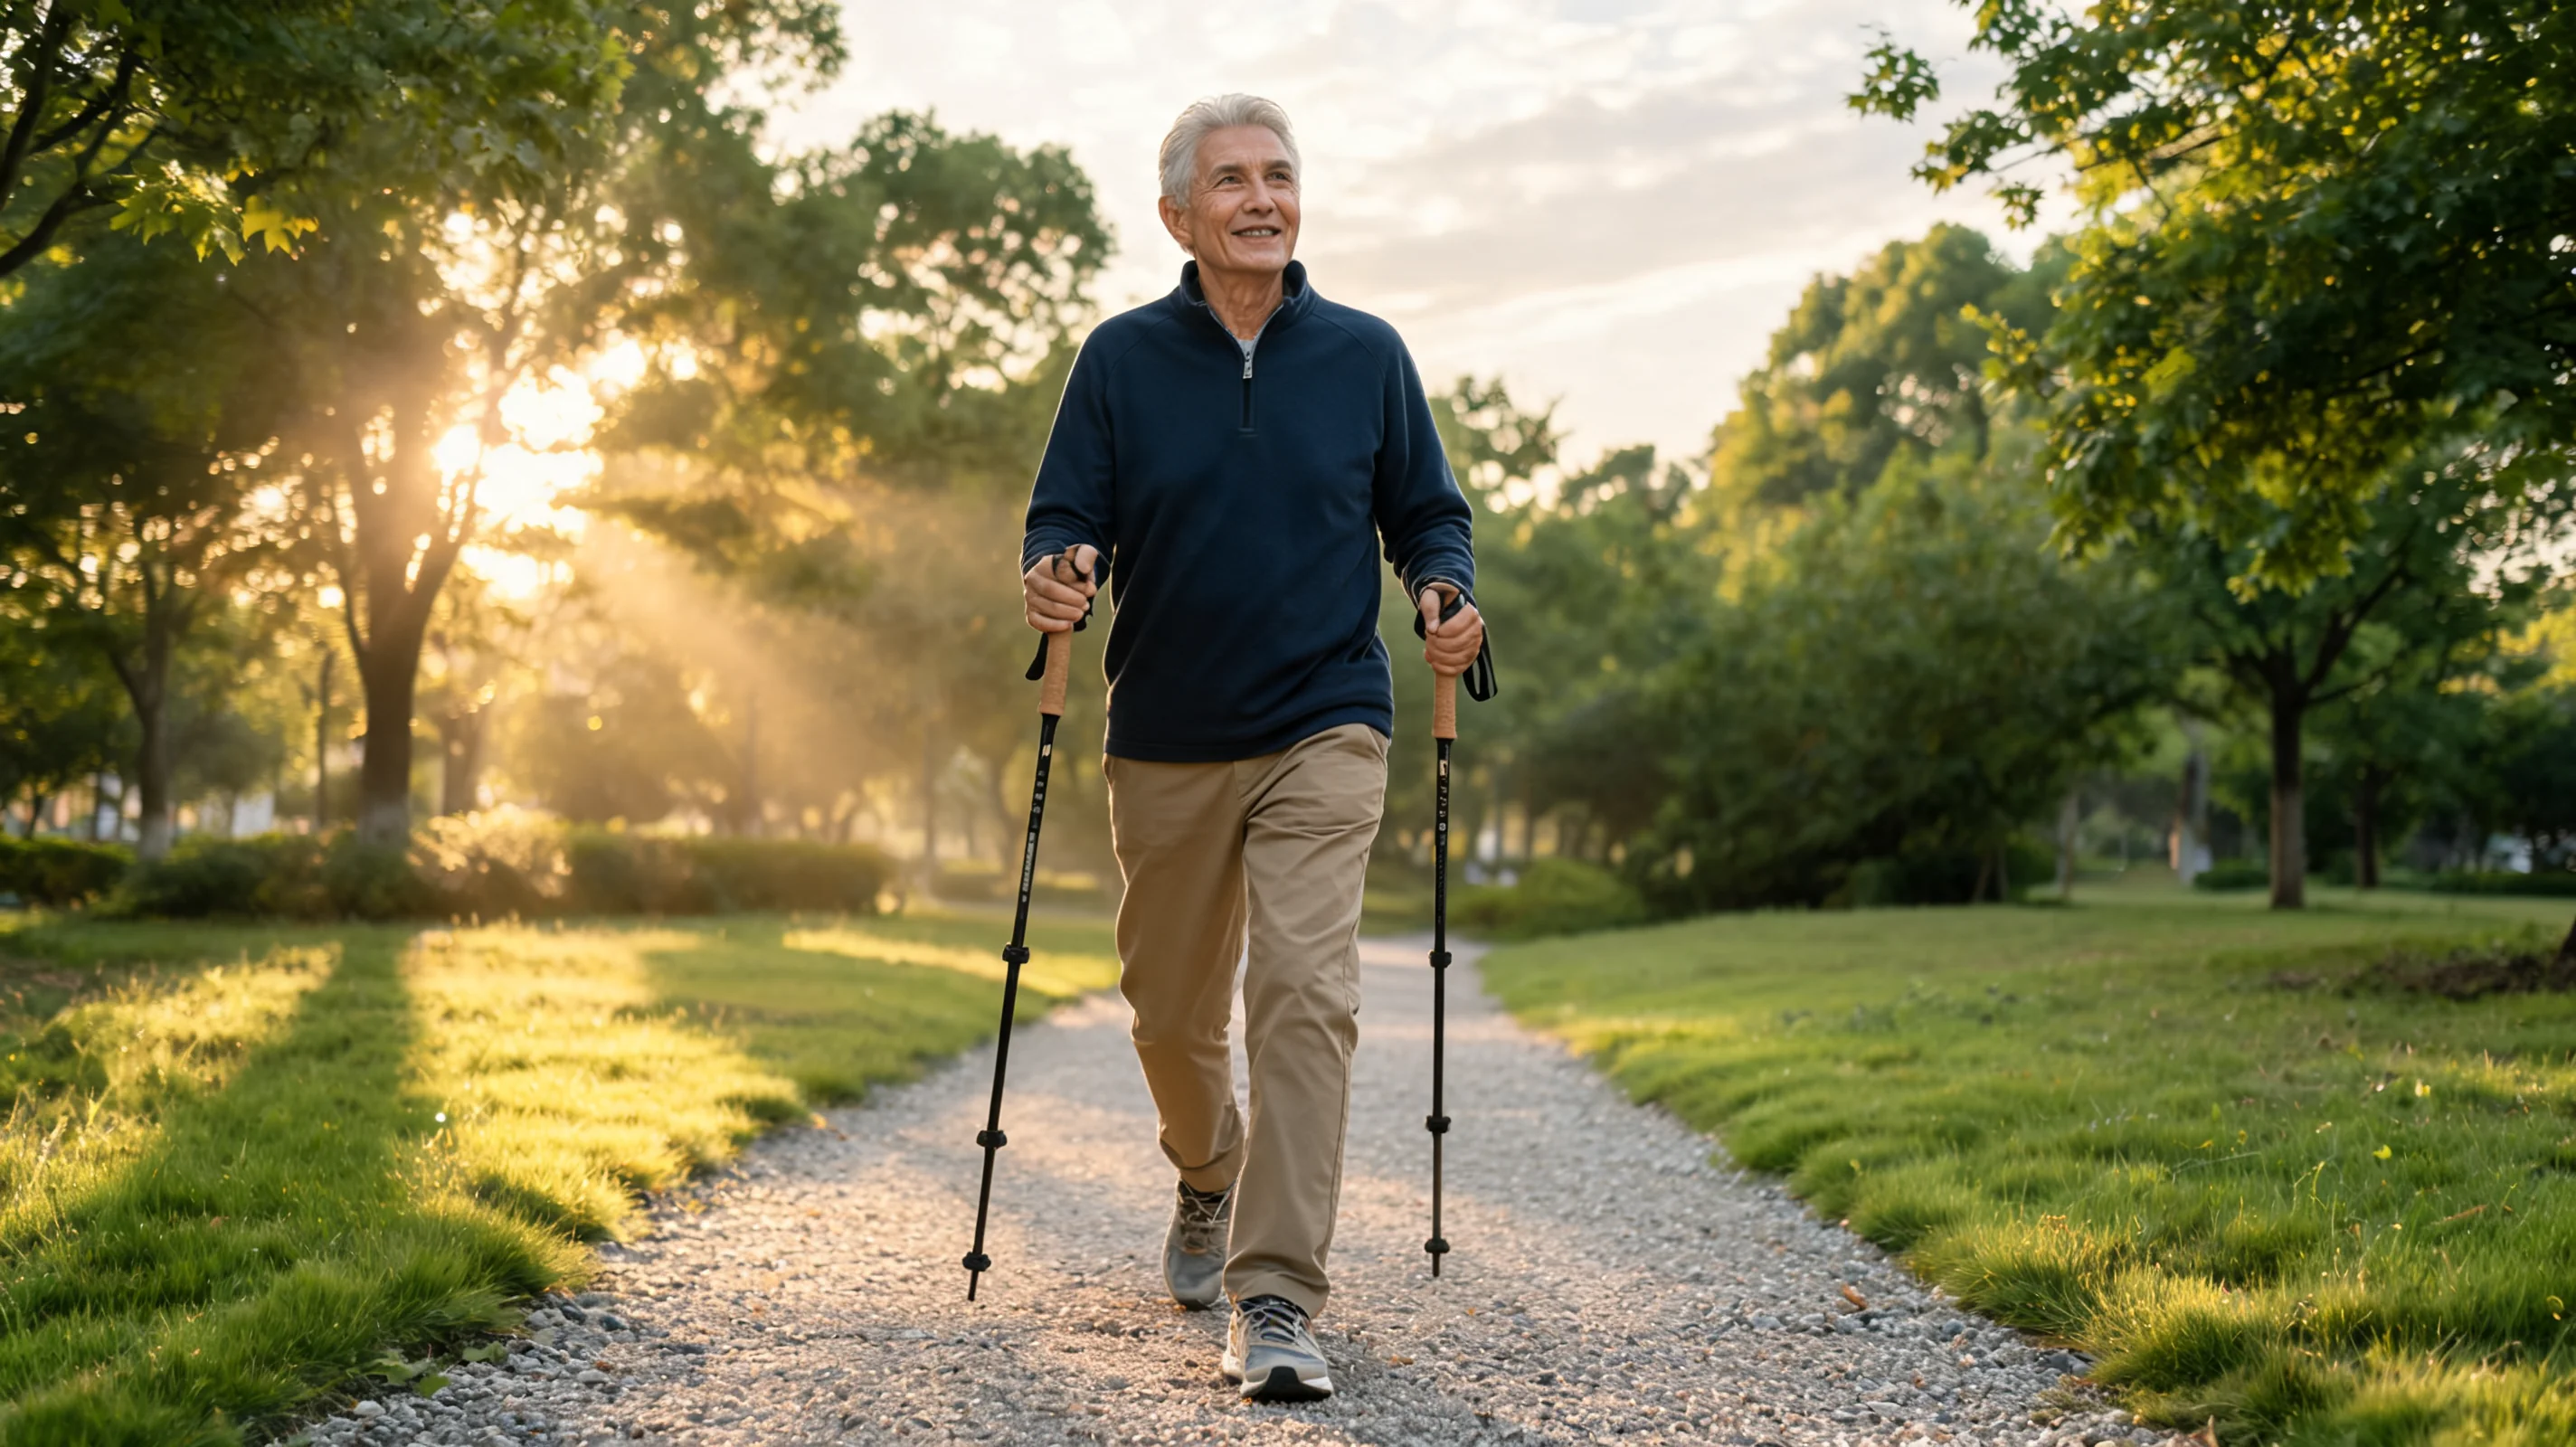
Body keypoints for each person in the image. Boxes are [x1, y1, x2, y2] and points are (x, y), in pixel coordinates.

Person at [1018, 92, 1486, 1403]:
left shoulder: (1366, 355)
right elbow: (1063, 515)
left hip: (1327, 717)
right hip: (1166, 729)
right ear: (1179, 213)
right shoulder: (1117, 361)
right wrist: (1055, 573)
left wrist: (1443, 591)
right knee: (1171, 1015)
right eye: (1231, 179)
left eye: (1279, 174)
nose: (1262, 197)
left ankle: (1276, 1292)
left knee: (1304, 995)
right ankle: (1207, 1174)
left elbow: (1427, 516)